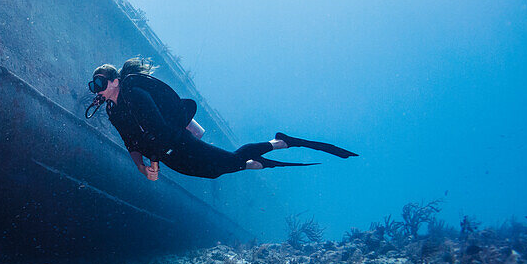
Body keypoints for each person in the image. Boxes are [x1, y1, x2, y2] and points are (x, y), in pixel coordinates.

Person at [85, 58, 357, 181]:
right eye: (93, 84)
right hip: (168, 156)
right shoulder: (113, 111)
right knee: (214, 173)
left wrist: (152, 161)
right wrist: (141, 168)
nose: (97, 89)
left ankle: (281, 142)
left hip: (179, 144)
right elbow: (130, 141)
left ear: (116, 81)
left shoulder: (136, 95)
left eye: (100, 82)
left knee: (231, 161)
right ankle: (256, 163)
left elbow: (157, 129)